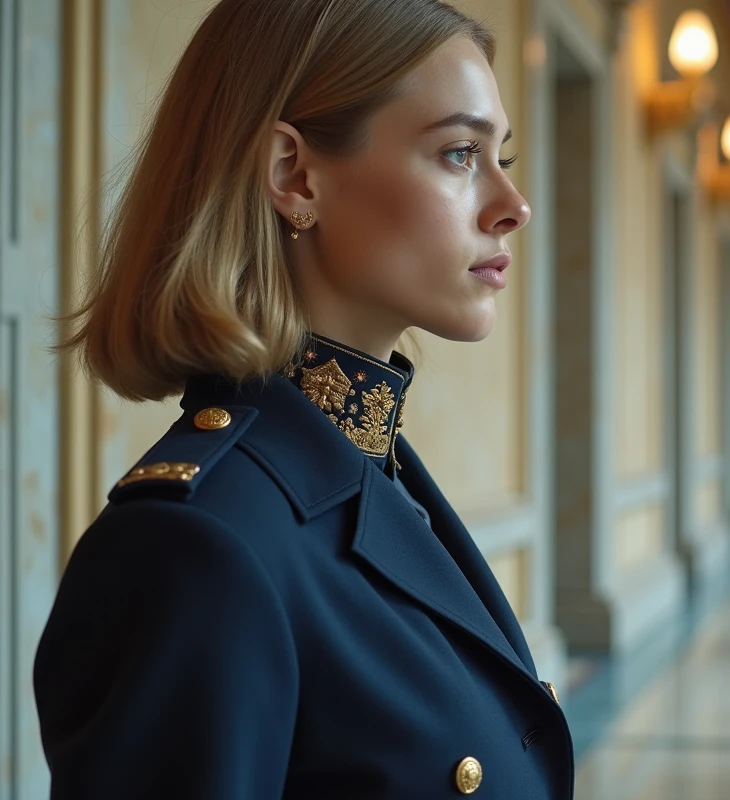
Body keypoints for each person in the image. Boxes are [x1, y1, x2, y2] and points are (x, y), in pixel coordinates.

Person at [33, 2, 571, 797]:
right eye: (460, 153)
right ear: (294, 175)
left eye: (504, 155)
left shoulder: (377, 474)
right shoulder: (196, 550)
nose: (513, 204)